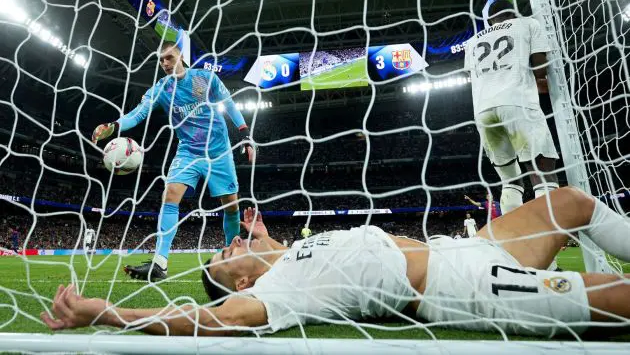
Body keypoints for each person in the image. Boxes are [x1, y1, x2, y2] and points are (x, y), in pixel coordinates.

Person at [42, 187, 630, 337]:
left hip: (466, 248)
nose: (228, 244)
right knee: (617, 299)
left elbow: (266, 248)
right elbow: (220, 318)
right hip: (465, 286)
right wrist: (111, 313)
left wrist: (262, 236)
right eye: (226, 257)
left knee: (571, 203)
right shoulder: (283, 289)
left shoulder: (291, 251)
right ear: (244, 280)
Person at [91, 41, 255, 281]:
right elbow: (138, 113)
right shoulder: (162, 88)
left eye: (169, 58)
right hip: (188, 151)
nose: (164, 63)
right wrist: (114, 126)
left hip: (218, 151)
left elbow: (228, 103)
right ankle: (160, 263)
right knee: (170, 194)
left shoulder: (203, 78)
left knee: (230, 206)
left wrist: (245, 135)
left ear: (181, 57)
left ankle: (234, 256)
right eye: (161, 60)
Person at [464, 0, 560, 215]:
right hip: (517, 101)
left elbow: (473, 76)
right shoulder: (528, 24)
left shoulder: (471, 42)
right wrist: (543, 80)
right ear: (514, 13)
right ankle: (549, 229)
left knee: (510, 181)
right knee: (542, 169)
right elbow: (540, 68)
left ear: (490, 20)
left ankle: (515, 240)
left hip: (483, 111)